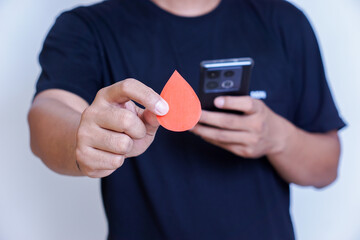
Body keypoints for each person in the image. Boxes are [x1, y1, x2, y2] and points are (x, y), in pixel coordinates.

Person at [27, 0, 345, 239]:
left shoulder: (284, 21)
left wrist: (279, 138)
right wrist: (81, 138)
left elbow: (327, 167)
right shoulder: (86, 27)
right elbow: (48, 113)